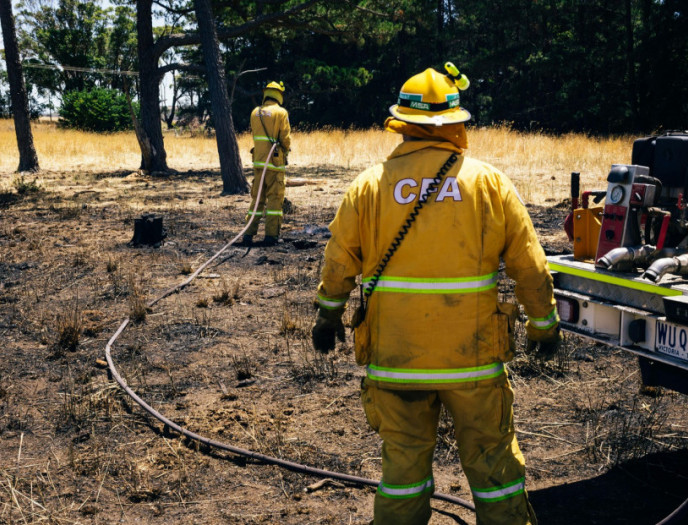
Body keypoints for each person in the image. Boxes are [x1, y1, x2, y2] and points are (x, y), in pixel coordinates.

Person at [311, 63, 561, 525]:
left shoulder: (369, 186)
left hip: (397, 363)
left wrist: (328, 317)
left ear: (401, 124)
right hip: (473, 365)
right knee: (495, 472)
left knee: (403, 475)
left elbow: (338, 263)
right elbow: (530, 266)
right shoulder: (488, 183)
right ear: (456, 123)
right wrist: (543, 326)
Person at [239, 81, 292, 247]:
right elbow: (285, 138)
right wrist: (286, 150)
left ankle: (248, 233)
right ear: (279, 95)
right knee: (275, 201)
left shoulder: (255, 112)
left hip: (259, 163)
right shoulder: (281, 113)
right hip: (275, 164)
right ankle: (271, 236)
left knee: (257, 200)